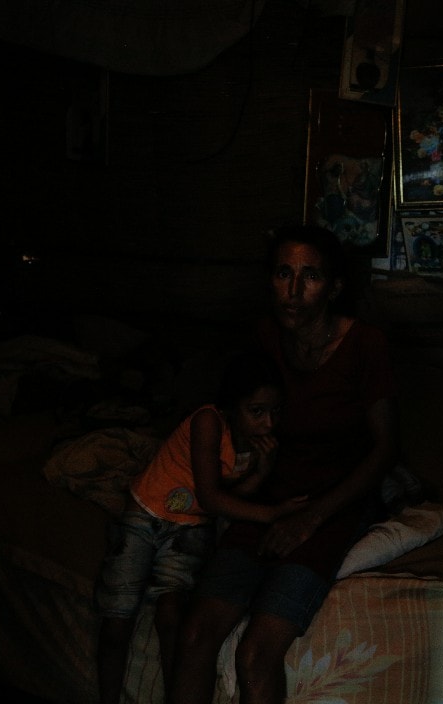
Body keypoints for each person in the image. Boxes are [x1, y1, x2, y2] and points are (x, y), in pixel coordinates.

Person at [170, 225, 398, 704]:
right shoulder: (264, 338)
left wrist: (310, 518)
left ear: (334, 287)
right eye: (283, 273)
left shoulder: (365, 344)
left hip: (331, 506)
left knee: (255, 654)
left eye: (310, 276)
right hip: (271, 498)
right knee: (193, 636)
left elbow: (383, 448)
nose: (294, 291)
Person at [95, 351, 302, 704]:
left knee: (173, 616)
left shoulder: (257, 446)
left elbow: (227, 497)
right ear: (232, 408)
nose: (269, 423)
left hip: (188, 528)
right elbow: (210, 498)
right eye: (257, 412)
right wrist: (270, 513)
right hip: (146, 514)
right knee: (117, 621)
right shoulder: (208, 421)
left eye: (276, 412)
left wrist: (262, 472)